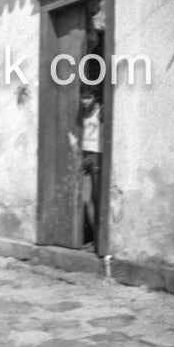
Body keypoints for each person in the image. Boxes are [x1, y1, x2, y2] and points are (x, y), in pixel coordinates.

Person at [77, 84, 102, 249]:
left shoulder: (101, 111)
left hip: (96, 155)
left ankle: (100, 241)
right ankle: (93, 238)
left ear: (95, 98)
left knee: (97, 198)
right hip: (84, 155)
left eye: (89, 97)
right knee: (86, 200)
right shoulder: (81, 112)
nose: (85, 101)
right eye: (83, 97)